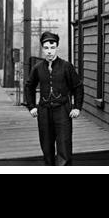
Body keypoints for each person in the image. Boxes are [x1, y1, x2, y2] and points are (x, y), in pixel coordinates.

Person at [25, 31, 83, 166]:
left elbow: (78, 87)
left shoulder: (66, 66)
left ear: (57, 47)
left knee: (64, 145)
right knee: (46, 146)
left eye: (52, 48)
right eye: (46, 48)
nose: (49, 51)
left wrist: (77, 107)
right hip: (44, 111)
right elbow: (29, 86)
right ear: (42, 49)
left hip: (62, 110)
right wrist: (32, 106)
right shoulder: (38, 68)